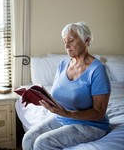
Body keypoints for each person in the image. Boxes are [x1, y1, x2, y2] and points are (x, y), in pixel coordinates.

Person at [22, 22, 111, 150]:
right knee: (28, 139)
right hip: (64, 118)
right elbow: (59, 96)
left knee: (42, 143)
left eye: (71, 40)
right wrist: (34, 98)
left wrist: (67, 113)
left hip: (91, 124)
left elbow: (99, 113)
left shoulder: (97, 70)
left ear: (87, 41)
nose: (67, 45)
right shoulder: (63, 64)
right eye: (64, 41)